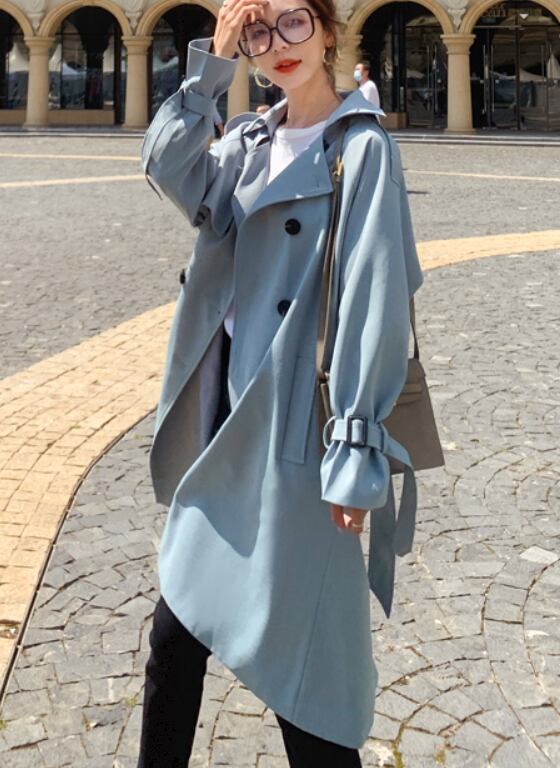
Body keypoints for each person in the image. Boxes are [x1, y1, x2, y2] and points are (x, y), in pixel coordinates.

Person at [138, 0, 423, 765]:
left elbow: (373, 304)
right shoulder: (247, 140)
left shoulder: (362, 149)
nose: (280, 45)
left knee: (306, 677)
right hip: (226, 420)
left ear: (328, 29)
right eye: (260, 31)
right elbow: (168, 166)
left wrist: (356, 448)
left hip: (299, 433)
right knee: (174, 636)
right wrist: (212, 68)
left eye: (295, 21)